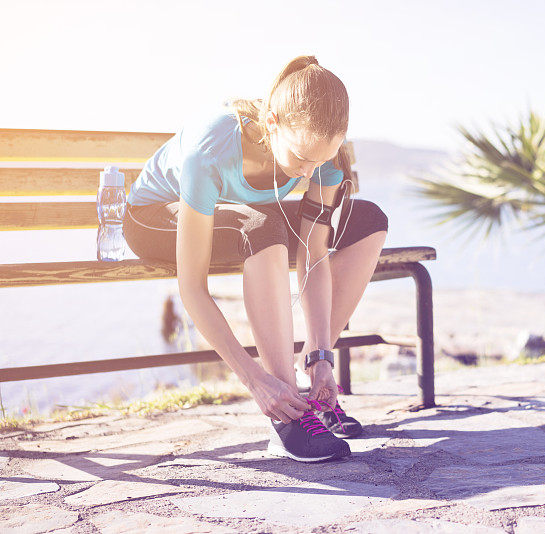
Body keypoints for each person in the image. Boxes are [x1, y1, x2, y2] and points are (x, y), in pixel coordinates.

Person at [122, 55, 389, 462]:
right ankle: (286, 414)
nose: (308, 173)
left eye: (320, 160)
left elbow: (314, 253)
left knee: (368, 219)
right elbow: (192, 288)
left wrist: (321, 354)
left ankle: (308, 380)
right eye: (301, 158)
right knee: (263, 224)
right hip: (156, 219)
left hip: (240, 217)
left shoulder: (322, 160)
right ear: (272, 124)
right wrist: (256, 380)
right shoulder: (209, 150)